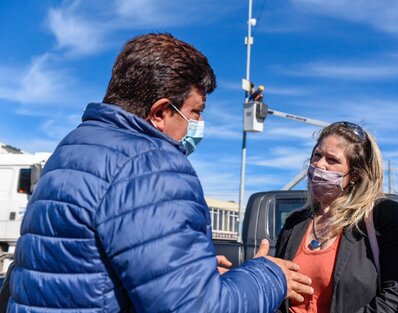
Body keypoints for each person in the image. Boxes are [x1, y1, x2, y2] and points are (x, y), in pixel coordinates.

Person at [6, 33, 313, 312]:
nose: (198, 123)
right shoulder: (152, 165)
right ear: (161, 112)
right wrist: (268, 275)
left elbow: (88, 266)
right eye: (196, 112)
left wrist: (196, 270)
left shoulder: (73, 147)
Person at [275, 122, 398, 312]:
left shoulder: (384, 217)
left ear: (354, 175)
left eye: (332, 160)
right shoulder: (295, 222)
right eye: (317, 155)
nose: (319, 164)